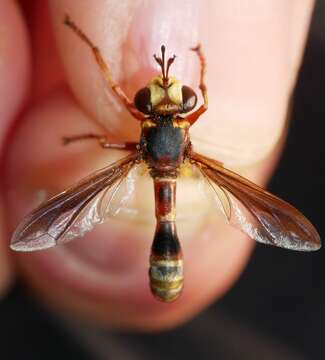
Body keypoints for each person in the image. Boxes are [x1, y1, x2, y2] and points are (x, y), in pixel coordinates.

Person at [0, 0, 316, 331]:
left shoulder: (139, 128)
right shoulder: (191, 129)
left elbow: (112, 96)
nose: (164, 89)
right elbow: (204, 102)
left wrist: (92, 52)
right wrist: (202, 65)